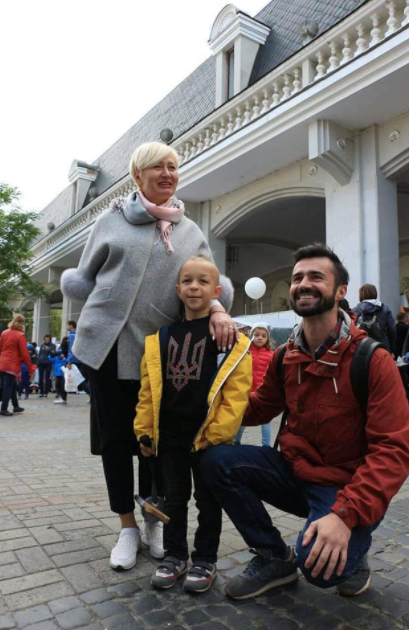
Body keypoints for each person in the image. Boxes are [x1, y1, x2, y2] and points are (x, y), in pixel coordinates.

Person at [61, 141, 238, 571]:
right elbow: (82, 279)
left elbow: (207, 282)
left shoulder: (190, 232)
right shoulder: (110, 220)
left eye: (172, 166)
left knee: (156, 444)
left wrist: (217, 309)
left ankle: (154, 520)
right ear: (137, 176)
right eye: (157, 167)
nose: (167, 173)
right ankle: (127, 526)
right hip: (104, 348)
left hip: (159, 355)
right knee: (115, 440)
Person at [202, 244, 409, 601]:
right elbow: (258, 409)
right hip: (294, 472)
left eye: (316, 277)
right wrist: (206, 400)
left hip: (345, 486)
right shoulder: (286, 356)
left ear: (341, 291)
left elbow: (394, 451)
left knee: (318, 569)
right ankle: (274, 558)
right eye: (298, 278)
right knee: (215, 460)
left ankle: (355, 545)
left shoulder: (371, 359)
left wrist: (344, 515)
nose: (303, 284)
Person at [135, 256, 252, 592]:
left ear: (216, 292)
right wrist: (144, 430)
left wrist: (218, 435)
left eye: (203, 282)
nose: (194, 287)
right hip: (170, 438)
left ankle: (205, 559)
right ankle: (175, 555)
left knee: (208, 501)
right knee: (173, 499)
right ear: (178, 290)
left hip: (207, 440)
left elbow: (236, 394)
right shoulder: (160, 338)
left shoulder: (228, 339)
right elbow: (148, 390)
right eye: (187, 281)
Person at [234, 323, 273, 447]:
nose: (260, 338)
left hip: (263, 394)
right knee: (243, 419)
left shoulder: (271, 355)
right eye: (256, 335)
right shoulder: (245, 352)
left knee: (266, 421)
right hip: (246, 392)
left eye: (263, 336)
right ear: (251, 336)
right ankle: (236, 442)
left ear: (267, 338)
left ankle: (266, 446)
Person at [0, 315, 36, 416]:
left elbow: (0, 348)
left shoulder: (4, 333)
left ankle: (16, 406)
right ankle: (3, 409)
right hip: (12, 365)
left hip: (2, 363)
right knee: (8, 387)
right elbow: (25, 354)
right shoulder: (20, 335)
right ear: (22, 323)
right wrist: (30, 369)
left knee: (12, 386)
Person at [353, 284, 396, 354]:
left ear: (361, 294)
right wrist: (392, 350)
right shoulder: (384, 310)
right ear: (375, 293)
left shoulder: (355, 311)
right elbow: (392, 330)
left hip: (360, 350)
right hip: (382, 349)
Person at [66, 321, 90, 395]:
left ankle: (90, 393)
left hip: (74, 360)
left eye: (67, 325)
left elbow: (72, 349)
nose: (67, 327)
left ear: (71, 326)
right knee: (80, 378)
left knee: (79, 379)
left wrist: (69, 361)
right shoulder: (79, 334)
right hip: (80, 358)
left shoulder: (71, 335)